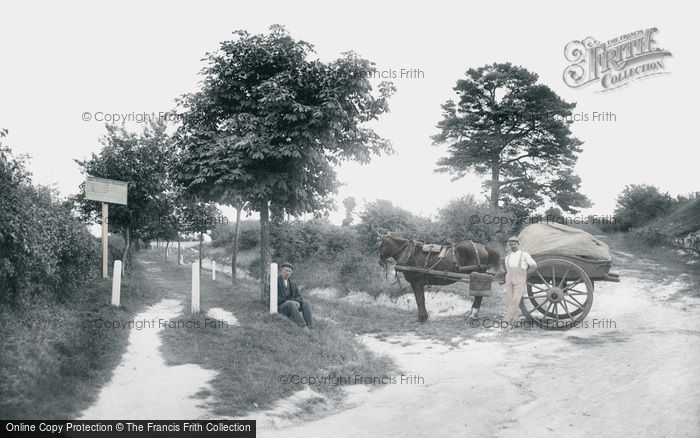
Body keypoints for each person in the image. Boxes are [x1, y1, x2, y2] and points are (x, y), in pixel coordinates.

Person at [503, 236, 537, 328]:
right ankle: (516, 321)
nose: (513, 246)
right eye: (511, 245)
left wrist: (525, 273)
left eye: (514, 244)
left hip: (520, 278)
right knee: (510, 300)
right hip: (509, 278)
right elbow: (507, 269)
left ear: (518, 244)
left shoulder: (524, 254)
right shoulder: (507, 257)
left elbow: (534, 265)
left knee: (515, 299)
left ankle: (507, 320)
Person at [277, 262, 313, 332]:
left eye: (289, 271)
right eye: (286, 270)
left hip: (292, 305)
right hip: (281, 307)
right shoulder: (276, 282)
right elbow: (274, 298)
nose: (288, 273)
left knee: (306, 303)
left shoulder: (292, 283)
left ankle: (310, 327)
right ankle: (303, 326)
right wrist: (288, 301)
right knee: (291, 303)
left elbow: (299, 295)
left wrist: (297, 301)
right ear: (282, 270)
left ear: (291, 273)